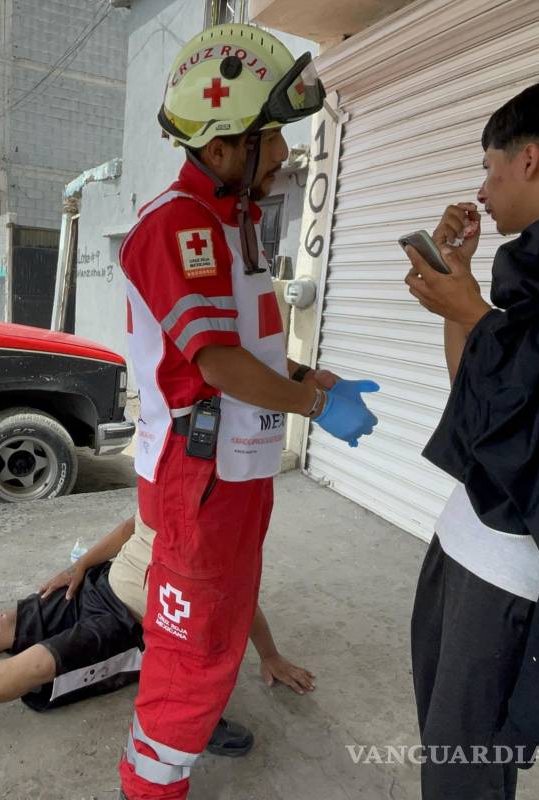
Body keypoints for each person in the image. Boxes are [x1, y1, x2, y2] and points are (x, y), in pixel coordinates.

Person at [118, 25, 381, 799]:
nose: (283, 155)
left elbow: (249, 348)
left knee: (221, 619)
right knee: (189, 646)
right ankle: (150, 784)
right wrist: (314, 403)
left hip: (236, 470)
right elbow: (216, 364)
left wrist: (304, 373)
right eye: (270, 139)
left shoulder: (231, 222)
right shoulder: (176, 224)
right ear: (222, 144)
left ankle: (192, 729)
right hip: (197, 477)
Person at [404, 74, 539, 800]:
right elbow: (481, 397)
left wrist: (476, 313)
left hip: (521, 566)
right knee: (446, 751)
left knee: (465, 772)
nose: (482, 192)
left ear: (528, 159)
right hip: (468, 532)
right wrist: (460, 292)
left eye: (489, 168)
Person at [0, 514, 315, 754]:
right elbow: (131, 529)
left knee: (34, 665)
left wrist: (269, 654)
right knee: (3, 625)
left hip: (129, 627)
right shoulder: (168, 472)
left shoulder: (230, 518)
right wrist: (80, 566)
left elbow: (241, 597)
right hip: (100, 584)